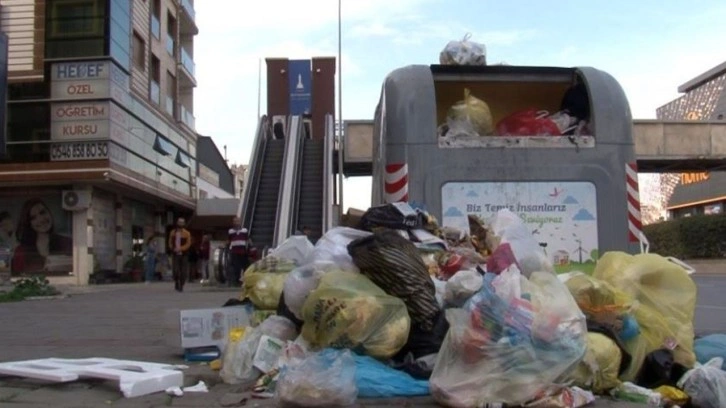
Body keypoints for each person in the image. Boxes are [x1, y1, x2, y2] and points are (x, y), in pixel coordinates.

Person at [12, 198, 72, 274]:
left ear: (49, 212)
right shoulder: (21, 251)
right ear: (28, 223)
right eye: (33, 218)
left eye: (42, 212)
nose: (41, 219)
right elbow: (16, 279)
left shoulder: (67, 243)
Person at [167, 217, 192, 292]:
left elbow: (188, 244)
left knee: (184, 270)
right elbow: (170, 242)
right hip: (175, 254)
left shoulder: (187, 233)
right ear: (177, 223)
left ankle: (181, 284)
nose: (180, 224)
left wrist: (181, 248)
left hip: (184, 254)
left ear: (184, 224)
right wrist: (172, 248)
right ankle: (176, 281)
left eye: (182, 222)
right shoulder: (173, 232)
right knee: (175, 270)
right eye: (179, 222)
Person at [227, 216, 251, 287]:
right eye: (235, 221)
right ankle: (236, 281)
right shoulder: (231, 231)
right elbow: (229, 240)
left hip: (243, 251)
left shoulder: (244, 230)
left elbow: (248, 239)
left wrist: (251, 247)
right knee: (236, 267)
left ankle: (246, 280)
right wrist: (224, 245)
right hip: (234, 251)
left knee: (246, 266)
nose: (236, 223)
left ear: (240, 222)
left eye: (237, 221)